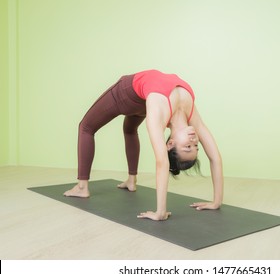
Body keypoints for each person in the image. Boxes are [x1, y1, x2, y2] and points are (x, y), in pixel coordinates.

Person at [64, 69, 223, 221]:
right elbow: (215, 157)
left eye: (188, 147)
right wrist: (216, 202)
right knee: (129, 129)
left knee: (86, 127)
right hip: (142, 97)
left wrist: (160, 212)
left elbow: (162, 161)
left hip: (126, 94)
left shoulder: (158, 114)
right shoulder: (191, 114)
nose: (194, 142)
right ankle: (131, 181)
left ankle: (82, 187)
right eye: (195, 147)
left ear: (170, 143)